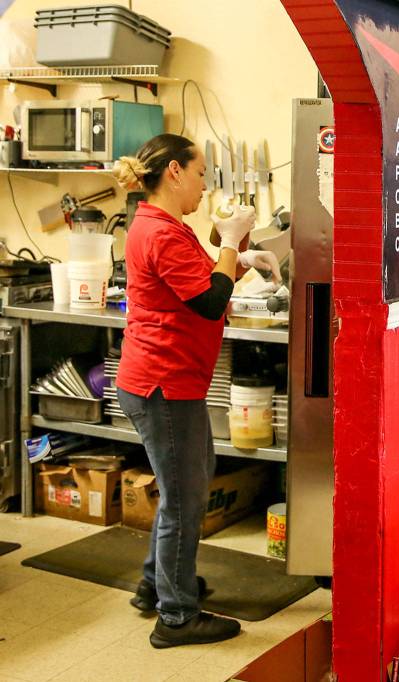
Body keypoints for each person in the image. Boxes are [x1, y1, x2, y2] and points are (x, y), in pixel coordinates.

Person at [112, 133, 281, 648]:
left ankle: (155, 584)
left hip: (170, 379)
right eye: (202, 172)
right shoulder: (158, 231)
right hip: (165, 383)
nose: (207, 184)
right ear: (175, 172)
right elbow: (210, 302)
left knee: (189, 484)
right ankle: (178, 616)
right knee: (185, 501)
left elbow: (204, 274)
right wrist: (231, 244)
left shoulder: (164, 225)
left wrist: (240, 256)